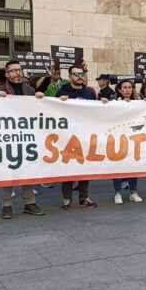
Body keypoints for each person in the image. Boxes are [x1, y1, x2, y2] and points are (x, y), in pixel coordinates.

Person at [0, 59, 46, 219]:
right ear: (7, 74)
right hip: (8, 137)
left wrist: (40, 99)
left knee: (28, 169)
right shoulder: (0, 90)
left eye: (19, 70)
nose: (18, 73)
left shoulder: (30, 90)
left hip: (26, 137)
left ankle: (30, 203)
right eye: (14, 70)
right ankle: (6, 205)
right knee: (7, 171)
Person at [54, 64, 100, 210]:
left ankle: (84, 197)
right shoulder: (61, 92)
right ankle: (66, 199)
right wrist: (59, 102)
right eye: (76, 74)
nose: (79, 77)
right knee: (68, 168)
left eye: (82, 74)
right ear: (70, 77)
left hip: (85, 135)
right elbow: (53, 111)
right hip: (67, 137)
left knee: (85, 168)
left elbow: (97, 112)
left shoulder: (90, 93)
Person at [111, 79, 143, 204]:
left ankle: (133, 192)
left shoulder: (138, 103)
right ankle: (117, 193)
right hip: (118, 138)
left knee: (133, 166)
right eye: (124, 87)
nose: (127, 90)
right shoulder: (114, 103)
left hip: (133, 139)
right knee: (117, 166)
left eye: (130, 87)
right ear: (119, 90)